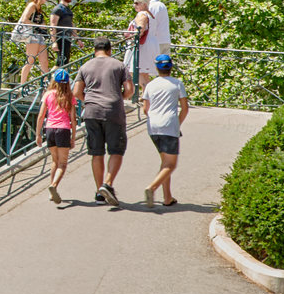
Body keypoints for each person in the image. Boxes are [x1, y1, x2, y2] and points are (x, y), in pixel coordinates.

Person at [73, 37, 133, 206]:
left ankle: (99, 192)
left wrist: (88, 100)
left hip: (91, 111)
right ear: (110, 50)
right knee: (116, 150)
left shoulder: (85, 66)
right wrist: (118, 98)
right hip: (113, 111)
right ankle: (108, 183)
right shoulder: (119, 65)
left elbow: (77, 91)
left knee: (96, 152)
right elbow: (129, 90)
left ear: (94, 50)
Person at [142, 53, 190, 207]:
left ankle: (167, 197)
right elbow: (184, 108)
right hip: (169, 125)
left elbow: (145, 109)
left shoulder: (150, 85)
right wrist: (177, 123)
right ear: (171, 67)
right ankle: (152, 188)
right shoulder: (177, 84)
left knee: (164, 162)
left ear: (156, 68)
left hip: (153, 126)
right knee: (171, 164)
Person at [36, 68, 78, 204]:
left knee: (54, 161)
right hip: (63, 130)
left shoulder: (48, 94)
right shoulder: (70, 97)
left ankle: (51, 190)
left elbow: (41, 115)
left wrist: (38, 134)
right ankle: (53, 186)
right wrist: (73, 138)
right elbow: (73, 119)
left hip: (50, 129)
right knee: (63, 163)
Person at [15, 0, 51, 82]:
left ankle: (45, 87)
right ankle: (22, 85)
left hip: (39, 36)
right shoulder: (32, 5)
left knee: (44, 62)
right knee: (30, 61)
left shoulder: (39, 8)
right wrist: (38, 26)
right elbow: (24, 19)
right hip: (32, 36)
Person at [124, 0, 154, 99]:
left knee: (134, 70)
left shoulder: (142, 14)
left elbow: (140, 29)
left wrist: (133, 38)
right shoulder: (150, 14)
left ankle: (146, 95)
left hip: (141, 45)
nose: (134, 5)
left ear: (144, 4)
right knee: (143, 72)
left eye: (137, 3)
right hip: (148, 44)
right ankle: (146, 94)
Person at [51, 0, 76, 66]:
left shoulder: (68, 9)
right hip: (60, 38)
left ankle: (56, 77)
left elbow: (71, 25)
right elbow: (53, 25)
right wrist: (54, 42)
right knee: (60, 62)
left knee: (65, 62)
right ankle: (51, 77)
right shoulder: (58, 9)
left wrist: (77, 38)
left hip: (67, 38)